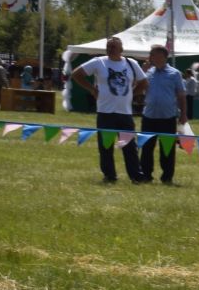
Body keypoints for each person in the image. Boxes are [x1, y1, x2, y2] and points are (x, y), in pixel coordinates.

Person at [73, 39, 148, 184]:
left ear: (122, 49)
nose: (111, 49)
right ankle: (109, 175)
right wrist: (92, 89)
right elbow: (76, 74)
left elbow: (144, 82)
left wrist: (132, 94)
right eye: (108, 47)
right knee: (106, 146)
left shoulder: (131, 63)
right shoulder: (98, 62)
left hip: (125, 113)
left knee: (129, 146)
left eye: (114, 46)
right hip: (105, 112)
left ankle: (136, 175)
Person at [138, 45, 189, 185]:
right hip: (149, 116)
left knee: (167, 149)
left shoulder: (175, 74)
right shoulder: (148, 73)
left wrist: (183, 114)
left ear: (162, 56)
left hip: (167, 117)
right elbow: (136, 89)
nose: (150, 57)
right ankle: (146, 176)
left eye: (153, 54)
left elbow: (181, 95)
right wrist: (142, 72)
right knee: (147, 148)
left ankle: (167, 178)